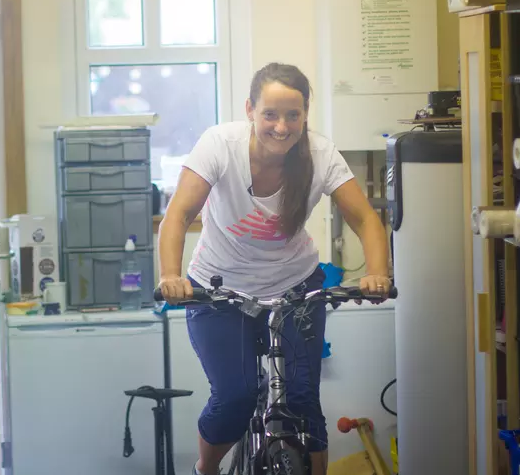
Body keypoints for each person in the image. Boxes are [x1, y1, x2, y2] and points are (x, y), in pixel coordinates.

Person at [157, 62, 390, 475]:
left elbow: (365, 219)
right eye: (270, 114)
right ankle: (205, 469)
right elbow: (178, 214)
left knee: (302, 397)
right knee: (236, 395)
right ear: (250, 109)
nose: (282, 127)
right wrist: (171, 277)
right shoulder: (219, 145)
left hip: (295, 286)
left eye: (293, 115)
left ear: (304, 114)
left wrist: (378, 272)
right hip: (219, 289)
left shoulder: (319, 154)